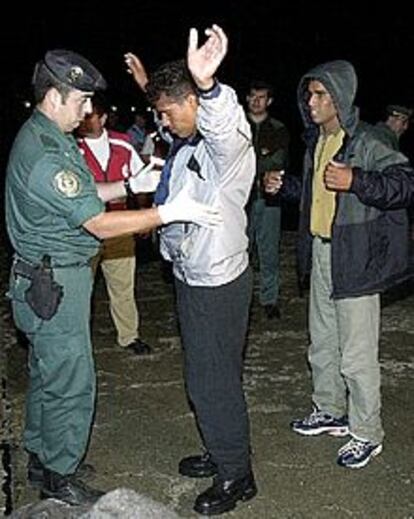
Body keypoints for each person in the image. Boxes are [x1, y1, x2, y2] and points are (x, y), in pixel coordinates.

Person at [5, 49, 222, 506]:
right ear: (53, 96)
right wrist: (165, 212)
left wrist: (128, 187)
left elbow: (81, 196)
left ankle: (43, 456)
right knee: (72, 381)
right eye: (81, 101)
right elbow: (97, 224)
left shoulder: (49, 137)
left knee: (48, 374)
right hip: (54, 284)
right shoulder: (45, 152)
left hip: (47, 280)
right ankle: (60, 476)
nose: (88, 111)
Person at [125, 24, 257, 516]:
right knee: (204, 374)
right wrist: (149, 86)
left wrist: (208, 86)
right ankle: (221, 448)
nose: (162, 120)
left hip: (217, 282)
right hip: (191, 273)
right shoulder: (185, 138)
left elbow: (224, 126)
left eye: (166, 110)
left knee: (213, 381)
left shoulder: (224, 146)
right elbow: (174, 122)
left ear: (193, 103)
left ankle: (236, 475)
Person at [265, 60, 414, 469]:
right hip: (322, 251)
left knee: (357, 353)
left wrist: (358, 180)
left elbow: (404, 185)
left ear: (340, 98)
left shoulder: (367, 139)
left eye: (320, 95)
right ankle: (330, 409)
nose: (310, 102)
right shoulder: (318, 141)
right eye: (308, 94)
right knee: (322, 343)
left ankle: (367, 432)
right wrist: (289, 186)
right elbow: (322, 195)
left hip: (357, 257)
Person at [77, 93, 152, 356]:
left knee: (123, 284)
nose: (84, 121)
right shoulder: (72, 147)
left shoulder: (123, 143)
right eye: (82, 115)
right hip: (85, 227)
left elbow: (140, 180)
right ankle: (78, 340)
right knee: (80, 288)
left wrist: (144, 214)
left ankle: (129, 336)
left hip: (119, 222)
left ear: (104, 118)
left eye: (90, 116)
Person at [246, 80, 289, 319]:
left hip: (269, 199)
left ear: (269, 101)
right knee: (241, 251)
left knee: (269, 251)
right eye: (252, 96)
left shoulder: (278, 128)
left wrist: (255, 165)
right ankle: (241, 298)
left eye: (261, 97)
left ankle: (269, 299)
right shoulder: (236, 126)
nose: (256, 101)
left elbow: (278, 162)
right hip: (240, 201)